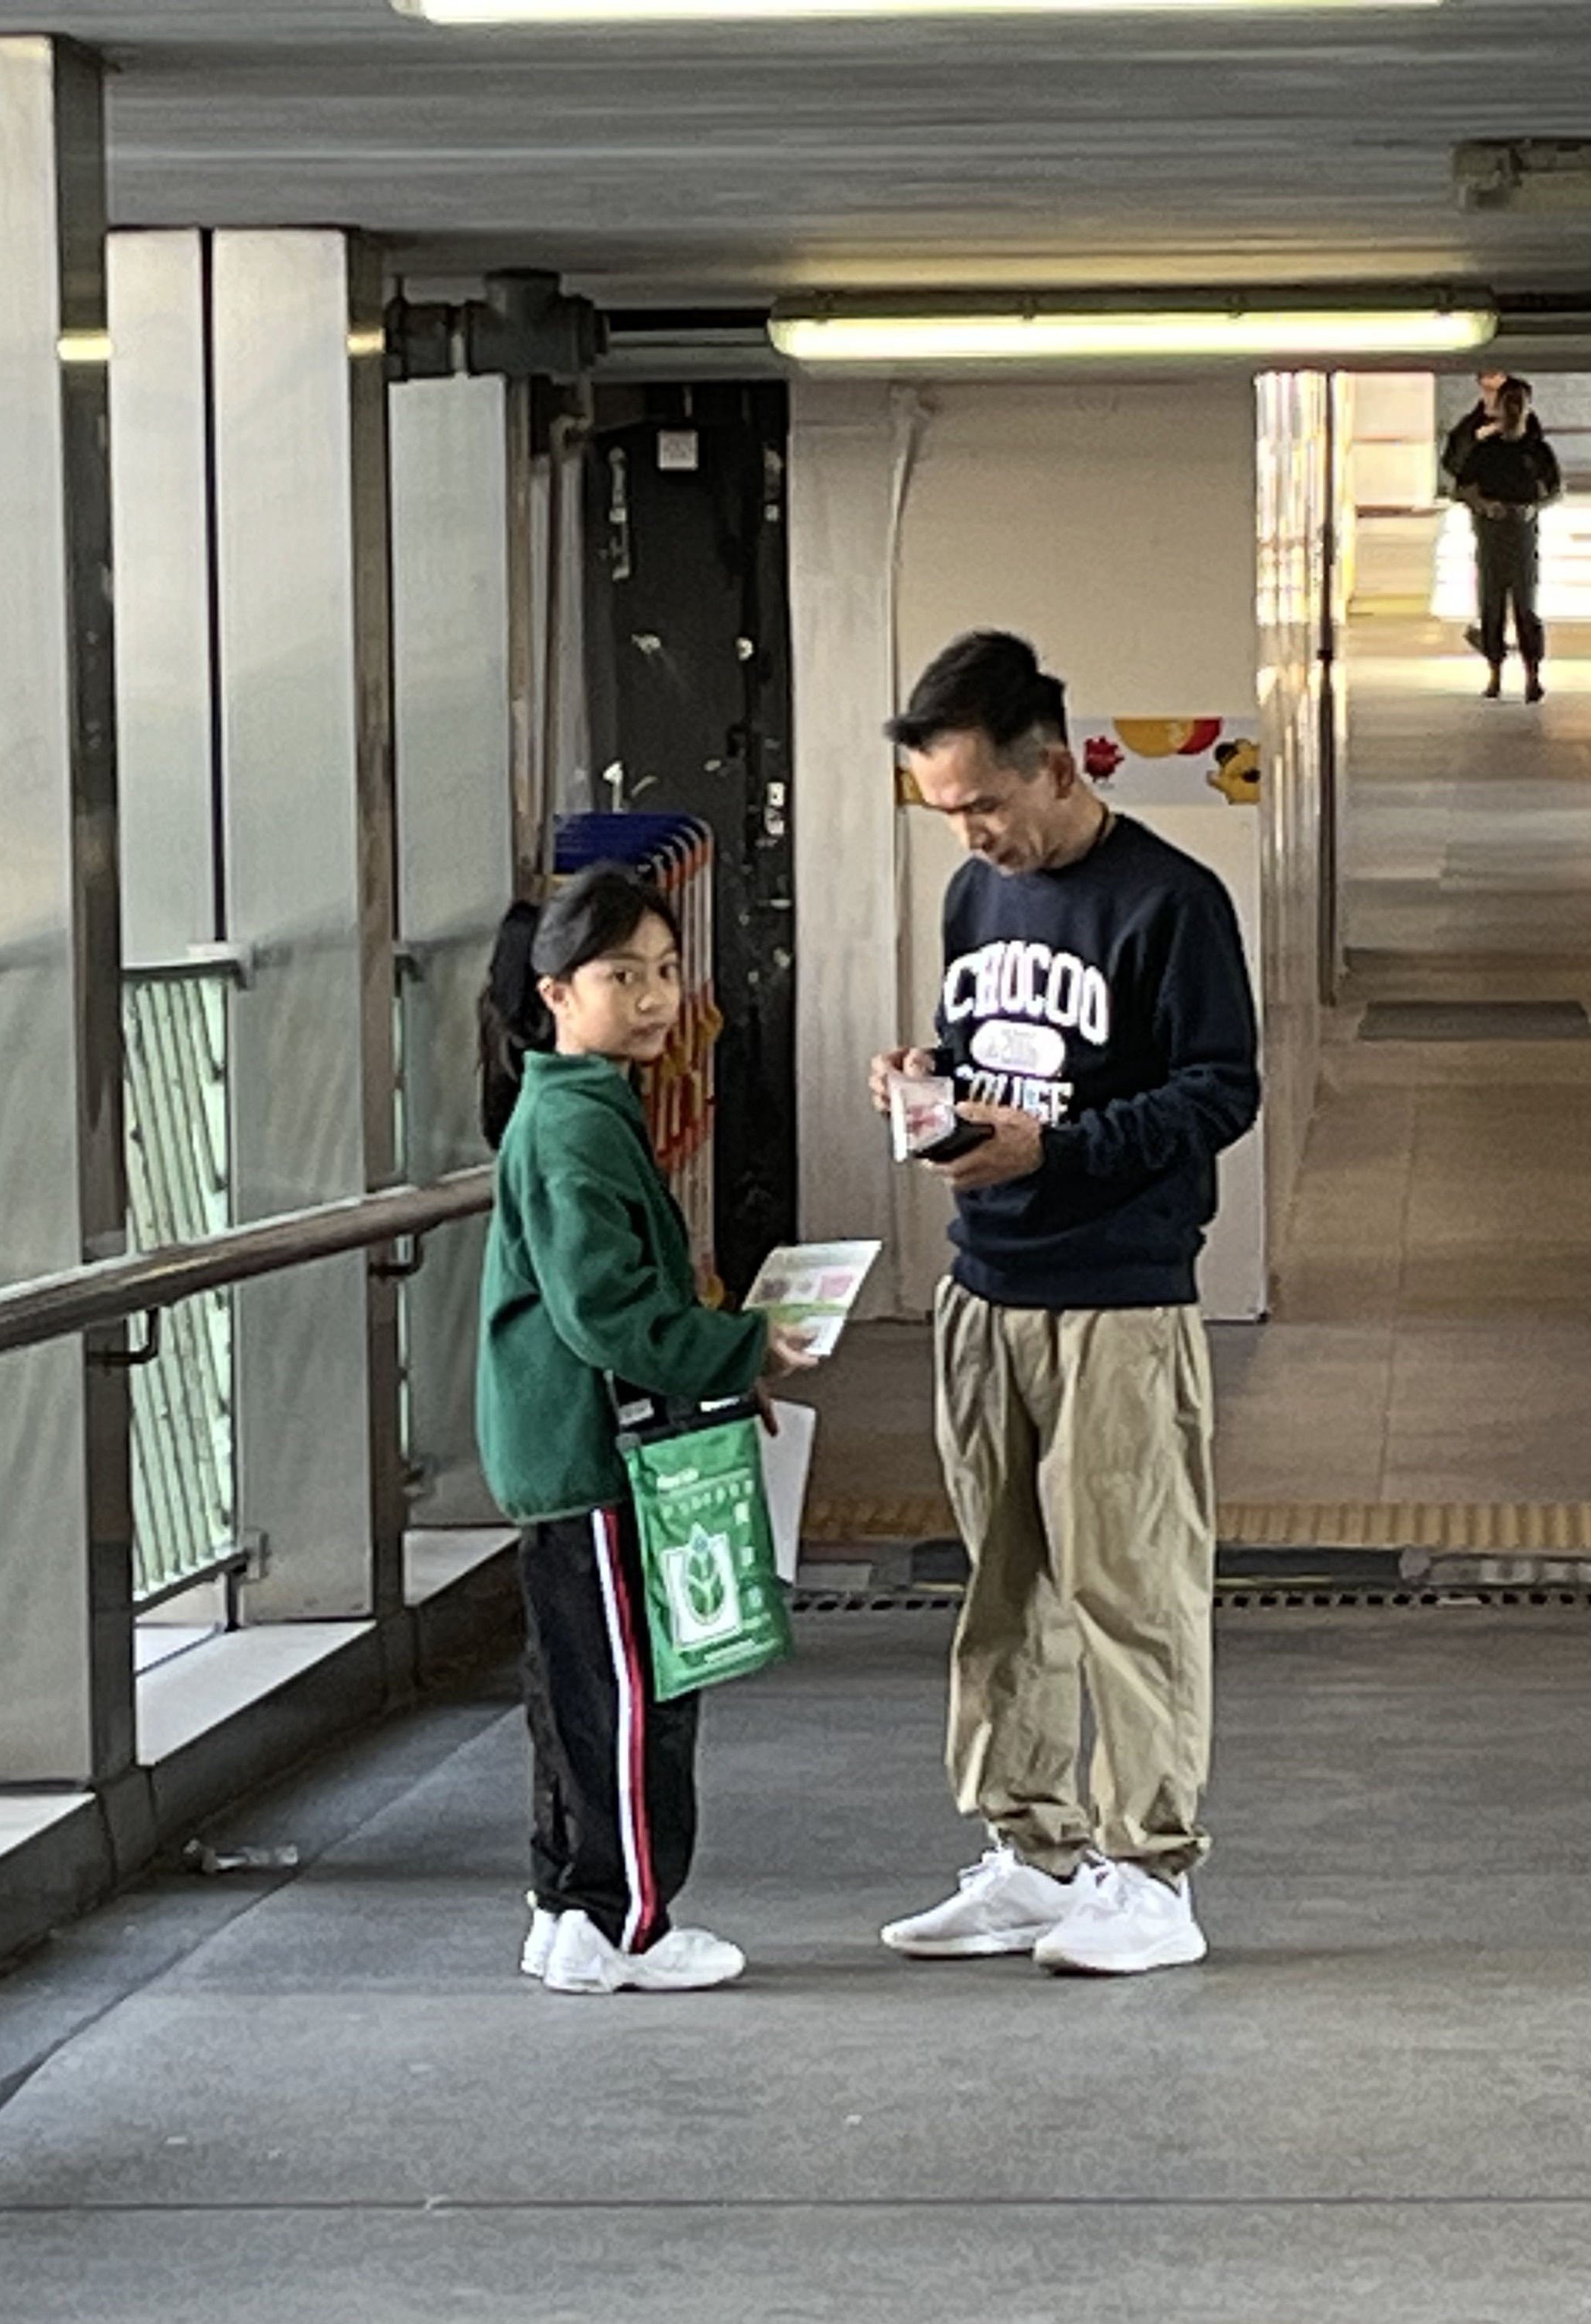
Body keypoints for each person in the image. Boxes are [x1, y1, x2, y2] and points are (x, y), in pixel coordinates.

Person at [865, 630, 1261, 1978]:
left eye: (982, 803)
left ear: (1054, 766)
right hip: (985, 1284)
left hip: (1120, 1297)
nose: (969, 834)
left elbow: (1220, 1090)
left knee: (1131, 1587)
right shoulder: (974, 897)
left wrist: (1062, 1148)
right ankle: (1028, 1854)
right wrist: (925, 1079)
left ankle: (1150, 1871)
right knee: (999, 1588)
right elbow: (989, 1051)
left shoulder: (1170, 900)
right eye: (944, 812)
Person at [477, 865, 813, 1995]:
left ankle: (566, 1906)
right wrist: (740, 1348)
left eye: (667, 971)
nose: (658, 998)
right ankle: (622, 1922)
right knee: (629, 1700)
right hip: (596, 1456)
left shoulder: (572, 1106)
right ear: (557, 992)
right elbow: (606, 1313)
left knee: (575, 1697)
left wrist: (717, 1368)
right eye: (623, 976)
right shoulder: (576, 1126)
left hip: (567, 1452)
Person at [1450, 380, 1561, 704]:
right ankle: (1494, 671)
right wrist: (1485, 506)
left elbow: (1555, 490)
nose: (1513, 410)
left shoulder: (1537, 451)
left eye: (1519, 403)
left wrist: (1533, 507)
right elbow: (1461, 489)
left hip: (1523, 536)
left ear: (1528, 408)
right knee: (1492, 606)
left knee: (1526, 607)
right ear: (1498, 408)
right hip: (1491, 536)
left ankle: (1532, 674)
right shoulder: (1486, 451)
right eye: (1508, 402)